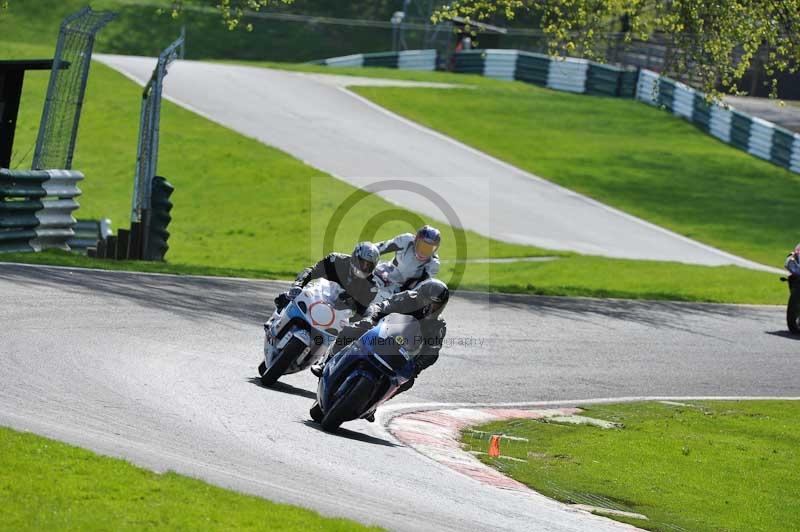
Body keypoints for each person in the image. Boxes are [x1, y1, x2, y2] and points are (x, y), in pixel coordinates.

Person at [310, 278, 450, 401]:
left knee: (408, 381)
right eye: (427, 301)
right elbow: (384, 305)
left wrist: (418, 365)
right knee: (352, 329)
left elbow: (433, 350)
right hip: (384, 336)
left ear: (442, 306)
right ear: (419, 296)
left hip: (405, 354)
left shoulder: (438, 326)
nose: (430, 307)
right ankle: (326, 362)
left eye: (435, 305)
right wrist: (372, 318)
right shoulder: (407, 298)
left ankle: (377, 402)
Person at [274, 242, 380, 316]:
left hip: (339, 315)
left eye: (368, 266)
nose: (364, 268)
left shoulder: (372, 287)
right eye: (362, 263)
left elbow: (360, 312)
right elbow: (311, 271)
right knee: (285, 298)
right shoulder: (335, 260)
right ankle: (277, 321)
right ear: (354, 257)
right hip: (316, 297)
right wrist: (298, 285)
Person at [373, 225, 442, 297]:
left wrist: (401, 295)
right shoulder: (406, 240)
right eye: (422, 246)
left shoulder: (433, 264)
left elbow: (419, 288)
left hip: (401, 289)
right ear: (415, 240)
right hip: (385, 273)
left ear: (435, 249)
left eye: (428, 249)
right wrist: (367, 250)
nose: (423, 252)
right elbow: (381, 247)